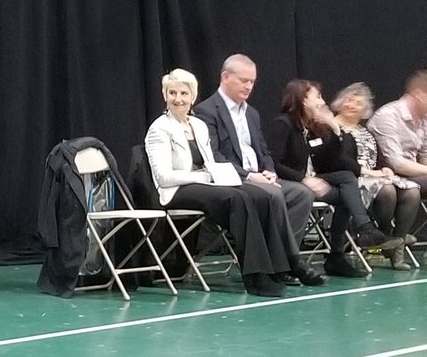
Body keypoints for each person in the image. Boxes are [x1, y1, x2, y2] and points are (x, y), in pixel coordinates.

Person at [145, 69, 306, 297]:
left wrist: (219, 175)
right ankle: (256, 276)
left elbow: (210, 162)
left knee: (260, 195)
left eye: (183, 93)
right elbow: (163, 177)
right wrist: (202, 177)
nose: (178, 99)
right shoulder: (159, 129)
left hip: (206, 183)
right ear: (165, 96)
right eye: (172, 93)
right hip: (176, 190)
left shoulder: (198, 125)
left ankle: (278, 268)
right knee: (236, 199)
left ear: (193, 96)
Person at [192, 54, 323, 286]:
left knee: (302, 193)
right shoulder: (207, 111)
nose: (249, 86)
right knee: (272, 194)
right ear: (225, 77)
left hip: (259, 176)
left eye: (252, 81)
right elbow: (213, 156)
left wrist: (270, 171)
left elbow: (263, 150)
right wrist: (250, 176)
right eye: (243, 80)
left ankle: (279, 264)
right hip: (234, 179)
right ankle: (292, 262)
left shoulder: (251, 113)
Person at [266, 79, 402, 277]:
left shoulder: (312, 127)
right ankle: (353, 238)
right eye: (317, 97)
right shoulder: (284, 124)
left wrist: (336, 129)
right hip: (290, 182)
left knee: (347, 183)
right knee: (347, 188)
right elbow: (273, 163)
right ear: (303, 100)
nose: (322, 102)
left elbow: (335, 161)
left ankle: (342, 250)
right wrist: (303, 179)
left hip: (315, 179)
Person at [331, 82, 422, 269]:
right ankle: (388, 237)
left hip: (374, 176)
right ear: (339, 103)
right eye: (348, 100)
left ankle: (396, 246)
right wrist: (371, 172)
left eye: (357, 103)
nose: (351, 105)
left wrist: (385, 169)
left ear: (364, 110)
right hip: (351, 178)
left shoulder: (365, 132)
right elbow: (341, 161)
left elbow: (379, 157)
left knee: (412, 191)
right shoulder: (332, 128)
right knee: (387, 190)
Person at [368, 70, 427, 197]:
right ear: (419, 95)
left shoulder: (423, 119)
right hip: (388, 176)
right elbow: (397, 164)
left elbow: (424, 155)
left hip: (413, 175)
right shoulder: (388, 116)